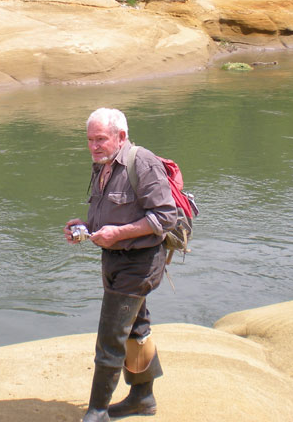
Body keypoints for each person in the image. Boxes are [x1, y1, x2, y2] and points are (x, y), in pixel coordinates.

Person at [65, 107, 177, 421]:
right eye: (90, 140)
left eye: (100, 139)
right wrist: (85, 227)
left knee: (110, 337)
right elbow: (114, 211)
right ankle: (142, 398)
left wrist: (119, 233)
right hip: (113, 258)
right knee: (135, 329)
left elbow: (166, 217)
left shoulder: (142, 162)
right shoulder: (102, 164)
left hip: (139, 262)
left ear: (121, 136)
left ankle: (97, 412)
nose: (93, 146)